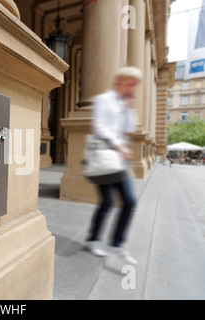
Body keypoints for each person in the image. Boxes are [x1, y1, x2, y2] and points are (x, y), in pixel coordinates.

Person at [85, 67, 142, 265]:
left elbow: (129, 128)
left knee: (130, 201)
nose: (134, 88)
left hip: (119, 160)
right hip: (104, 156)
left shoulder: (123, 104)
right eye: (132, 84)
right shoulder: (103, 100)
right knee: (107, 201)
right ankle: (93, 239)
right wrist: (119, 145)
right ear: (122, 82)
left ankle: (117, 244)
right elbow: (99, 127)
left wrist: (129, 107)